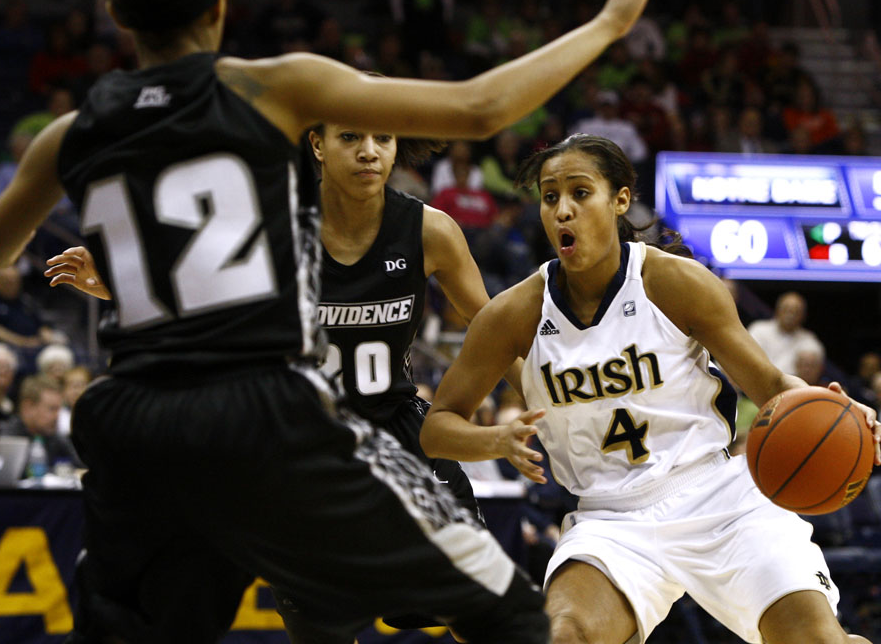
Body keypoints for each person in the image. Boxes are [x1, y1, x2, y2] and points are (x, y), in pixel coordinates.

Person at [0, 0, 658, 642]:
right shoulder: (266, 87)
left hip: (132, 423)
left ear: (118, 13)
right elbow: (481, 108)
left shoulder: (69, 131)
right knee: (511, 617)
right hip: (261, 412)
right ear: (221, 7)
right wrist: (611, 22)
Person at [46, 118, 525, 636]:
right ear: (317, 144)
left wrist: (552, 396)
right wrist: (123, 290)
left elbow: (493, 327)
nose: (369, 152)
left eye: (382, 139)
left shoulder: (430, 229)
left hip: (399, 430)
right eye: (350, 137)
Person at [420, 134, 881, 644]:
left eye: (580, 192)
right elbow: (436, 428)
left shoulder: (674, 282)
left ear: (620, 199)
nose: (563, 211)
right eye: (550, 198)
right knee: (562, 636)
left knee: (815, 640)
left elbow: (771, 384)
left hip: (718, 496)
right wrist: (495, 441)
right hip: (610, 520)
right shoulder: (514, 313)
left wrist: (831, 407)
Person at [747, 291, 823, 377]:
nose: (790, 315)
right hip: (758, 381)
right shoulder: (758, 330)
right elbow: (748, 360)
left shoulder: (809, 340)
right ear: (777, 310)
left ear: (803, 316)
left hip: (793, 387)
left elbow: (811, 374)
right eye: (787, 310)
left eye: (795, 312)